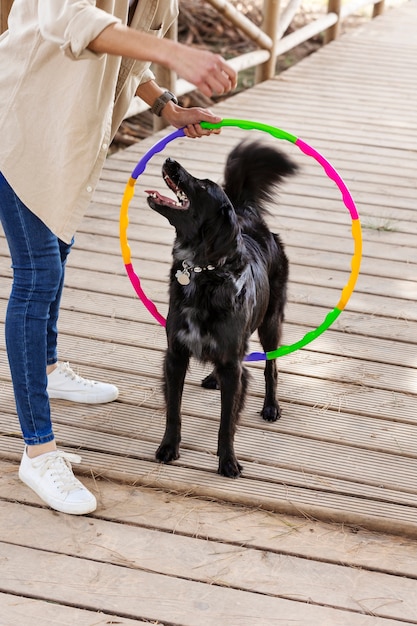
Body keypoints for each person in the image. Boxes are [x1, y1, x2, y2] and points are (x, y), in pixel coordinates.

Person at [0, 0, 237, 515]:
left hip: (69, 141)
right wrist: (177, 51)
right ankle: (38, 451)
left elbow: (127, 58)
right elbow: (68, 19)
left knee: (56, 254)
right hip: (19, 128)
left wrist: (166, 106)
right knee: (38, 274)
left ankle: (46, 368)